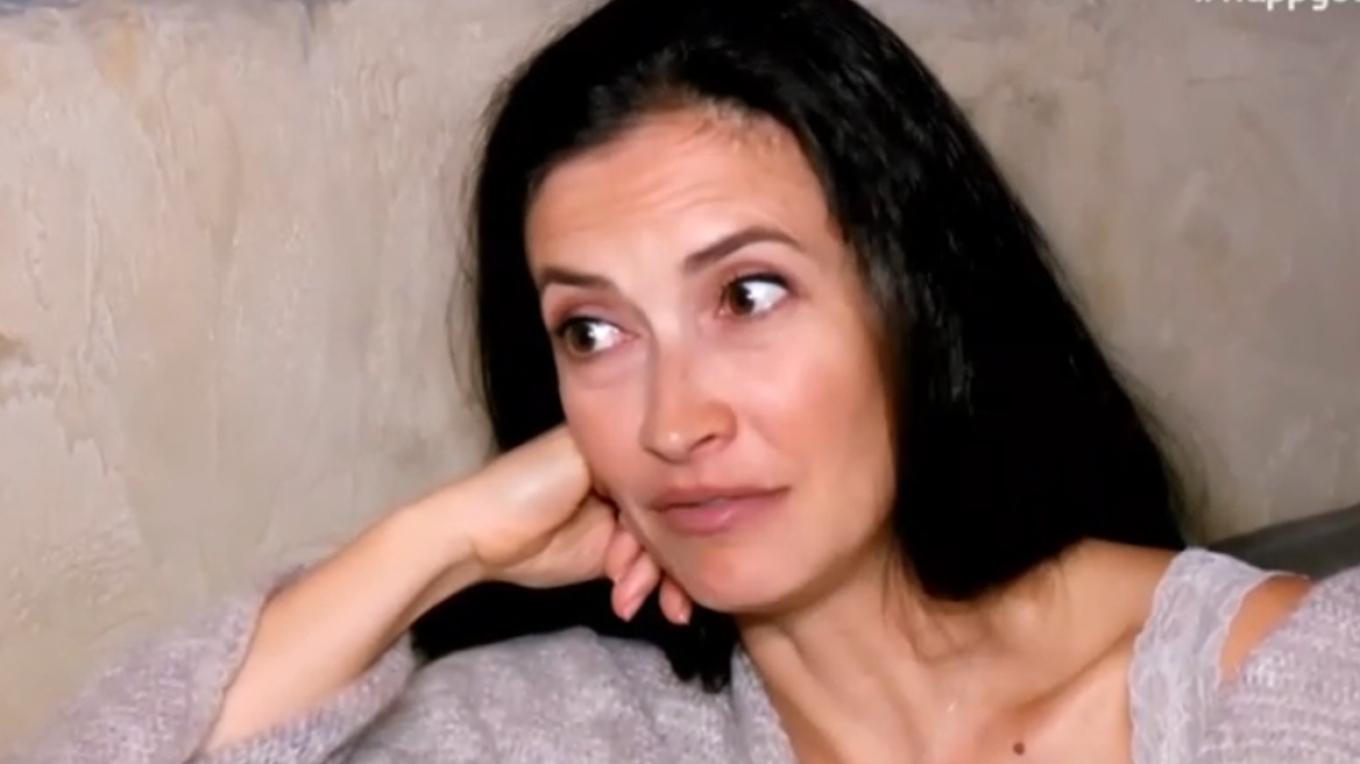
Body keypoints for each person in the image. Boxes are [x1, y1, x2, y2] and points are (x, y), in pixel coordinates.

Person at [6, 0, 1359, 762]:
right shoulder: (575, 727)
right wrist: (440, 543)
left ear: (919, 297)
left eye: (747, 295)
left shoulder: (1271, 686)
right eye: (593, 333)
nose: (670, 421)